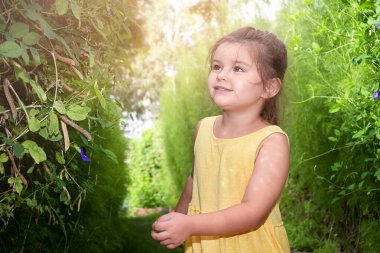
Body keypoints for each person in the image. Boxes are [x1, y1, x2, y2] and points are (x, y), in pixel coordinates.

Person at [151, 26, 290, 252]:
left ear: (269, 87)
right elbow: (193, 182)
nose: (222, 75)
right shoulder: (203, 129)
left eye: (238, 68)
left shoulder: (271, 141)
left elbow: (253, 212)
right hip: (205, 244)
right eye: (217, 66)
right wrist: (176, 219)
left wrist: (191, 225)